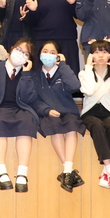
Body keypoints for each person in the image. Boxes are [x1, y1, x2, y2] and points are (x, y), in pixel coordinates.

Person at [0, 38, 50, 193]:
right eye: (19, 50)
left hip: (21, 108)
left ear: (29, 59)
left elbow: (29, 99)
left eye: (26, 53)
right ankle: (1, 172)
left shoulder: (30, 74)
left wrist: (26, 74)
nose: (21, 54)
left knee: (27, 122)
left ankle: (22, 173)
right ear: (12, 49)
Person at [33, 40, 86, 192]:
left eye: (52, 52)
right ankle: (69, 171)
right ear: (39, 54)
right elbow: (33, 99)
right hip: (48, 114)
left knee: (71, 127)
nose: (48, 54)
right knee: (55, 127)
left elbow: (75, 86)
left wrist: (63, 65)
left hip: (68, 111)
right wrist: (46, 110)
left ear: (58, 55)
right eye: (45, 51)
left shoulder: (63, 71)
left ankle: (67, 171)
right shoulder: (35, 76)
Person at [79, 39, 110, 193]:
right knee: (97, 125)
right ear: (91, 55)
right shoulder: (84, 73)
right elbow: (89, 90)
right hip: (90, 112)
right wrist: (88, 66)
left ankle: (107, 173)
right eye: (96, 52)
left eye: (104, 52)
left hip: (109, 112)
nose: (100, 55)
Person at [30, 0, 80, 68]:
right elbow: (32, 22)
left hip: (67, 40)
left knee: (69, 73)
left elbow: (79, 16)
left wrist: (72, 4)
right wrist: (33, 11)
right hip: (43, 41)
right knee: (42, 74)